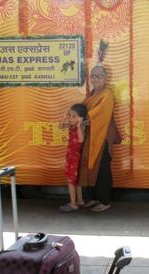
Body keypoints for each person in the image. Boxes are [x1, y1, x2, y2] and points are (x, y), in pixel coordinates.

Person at [78, 65, 120, 212]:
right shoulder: (92, 93)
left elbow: (98, 114)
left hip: (102, 137)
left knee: (102, 169)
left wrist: (82, 118)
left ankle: (105, 201)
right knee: (91, 168)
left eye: (99, 76)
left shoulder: (107, 94)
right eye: (93, 76)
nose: (96, 78)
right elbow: (84, 109)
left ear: (105, 78)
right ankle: (95, 198)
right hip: (91, 136)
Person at [59, 103, 88, 212]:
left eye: (73, 116)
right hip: (70, 155)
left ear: (80, 118)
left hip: (75, 158)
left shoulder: (80, 127)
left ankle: (73, 204)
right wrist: (65, 117)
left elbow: (81, 140)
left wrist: (79, 125)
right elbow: (61, 126)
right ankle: (80, 201)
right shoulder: (71, 125)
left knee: (71, 181)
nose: (71, 118)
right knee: (76, 180)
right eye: (70, 115)